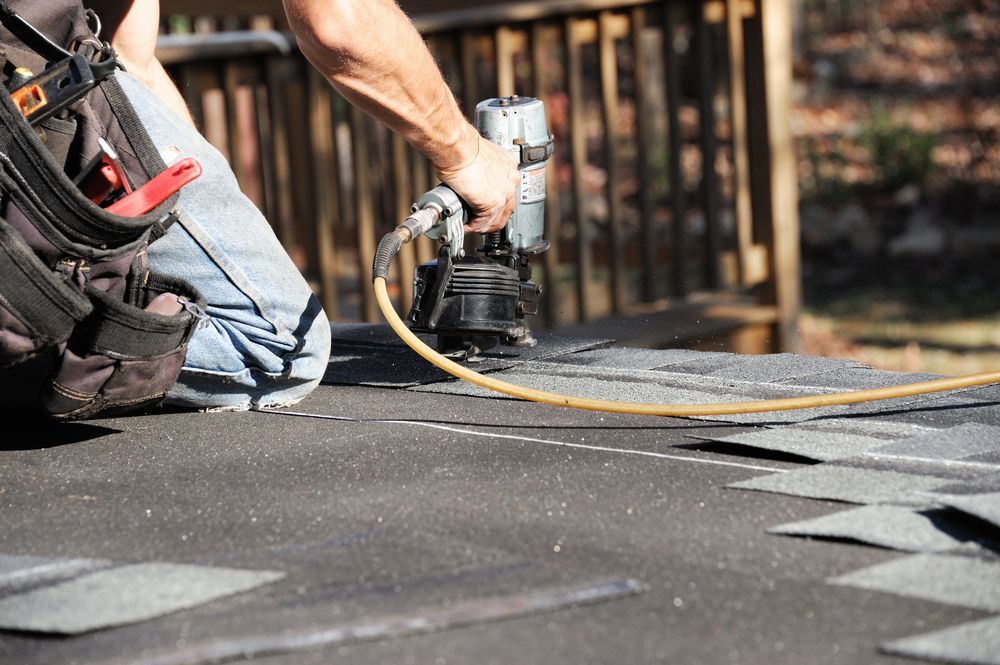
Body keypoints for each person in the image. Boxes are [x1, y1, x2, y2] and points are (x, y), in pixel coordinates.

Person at [74, 0, 522, 410]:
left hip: (42, 70)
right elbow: (337, 20)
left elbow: (128, 54)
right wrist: (467, 153)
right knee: (279, 348)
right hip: (40, 81)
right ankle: (33, 331)